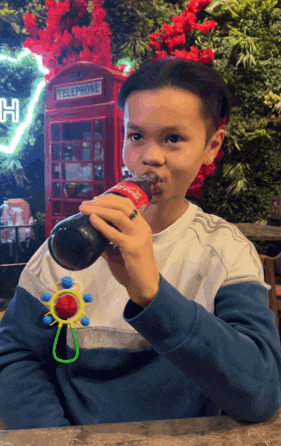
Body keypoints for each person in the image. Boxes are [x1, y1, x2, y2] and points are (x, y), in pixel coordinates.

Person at [0, 58, 280, 430]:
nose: (149, 157)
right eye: (136, 136)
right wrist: (55, 436)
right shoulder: (72, 240)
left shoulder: (226, 252)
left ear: (212, 146)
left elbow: (259, 396)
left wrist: (152, 296)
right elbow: (15, 353)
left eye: (173, 139)